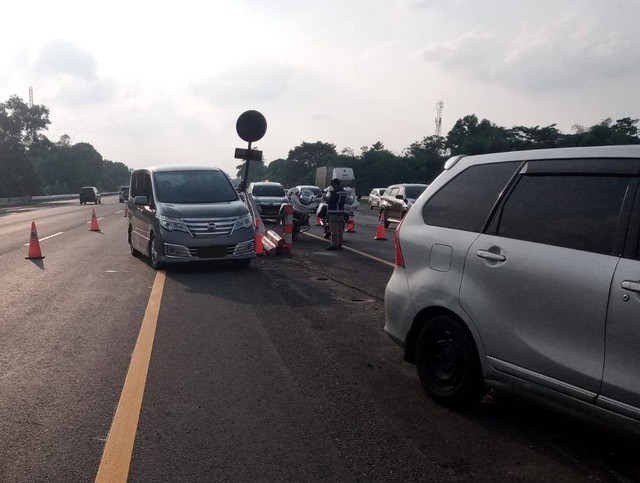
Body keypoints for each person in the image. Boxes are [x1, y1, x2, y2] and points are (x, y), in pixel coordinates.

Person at [324, 178, 347, 250]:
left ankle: (334, 244)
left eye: (333, 185)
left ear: (335, 184)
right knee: (340, 230)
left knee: (334, 230)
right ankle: (339, 244)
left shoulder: (334, 192)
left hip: (333, 212)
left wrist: (326, 198)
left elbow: (331, 201)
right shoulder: (344, 192)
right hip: (341, 212)